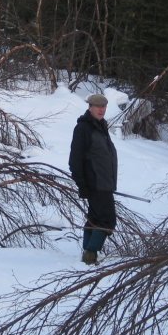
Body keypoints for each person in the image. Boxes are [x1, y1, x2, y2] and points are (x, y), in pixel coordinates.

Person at [68, 93, 117, 265]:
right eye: (98, 106)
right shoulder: (83, 128)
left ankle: (87, 253)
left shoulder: (100, 125)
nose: (101, 110)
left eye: (104, 107)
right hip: (95, 184)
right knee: (107, 220)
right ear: (90, 107)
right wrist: (83, 184)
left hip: (104, 183)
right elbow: (74, 160)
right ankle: (90, 254)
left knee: (95, 218)